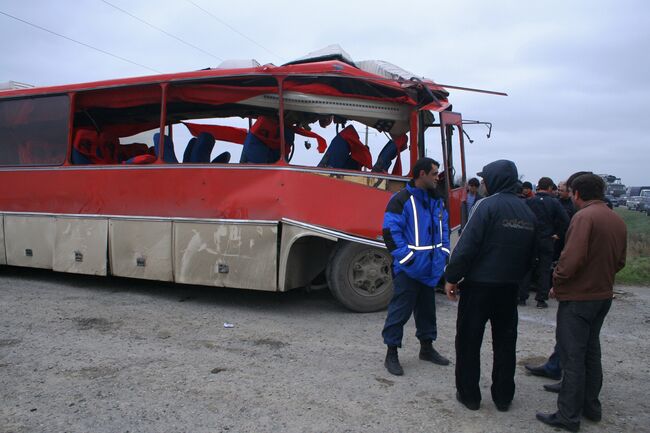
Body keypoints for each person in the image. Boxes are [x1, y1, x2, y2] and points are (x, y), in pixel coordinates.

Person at [444, 159, 537, 411]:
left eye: (485, 179)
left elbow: (467, 245)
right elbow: (533, 253)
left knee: (469, 341)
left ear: (494, 180)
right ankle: (503, 397)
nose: (483, 183)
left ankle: (470, 395)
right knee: (506, 343)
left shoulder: (486, 206)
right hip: (509, 289)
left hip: (479, 287)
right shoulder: (527, 210)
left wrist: (452, 276)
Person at [536, 174, 626, 432]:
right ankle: (591, 407)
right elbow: (620, 261)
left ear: (577, 194)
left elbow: (571, 260)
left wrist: (558, 282)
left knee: (572, 356)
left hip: (578, 298)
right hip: (602, 295)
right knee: (591, 352)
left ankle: (568, 415)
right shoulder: (615, 218)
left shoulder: (583, 218)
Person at [381, 157, 450, 376]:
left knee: (427, 312)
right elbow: (391, 233)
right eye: (434, 173)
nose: (437, 177)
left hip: (430, 270)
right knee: (399, 312)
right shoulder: (401, 200)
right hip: (408, 270)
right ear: (421, 174)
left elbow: (444, 230)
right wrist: (408, 260)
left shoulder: (437, 200)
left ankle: (427, 349)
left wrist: (444, 254)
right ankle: (391, 353)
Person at [521, 177, 569, 308]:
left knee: (527, 267)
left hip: (530, 238)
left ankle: (522, 297)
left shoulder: (529, 201)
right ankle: (541, 299)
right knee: (544, 269)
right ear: (549, 188)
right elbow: (565, 220)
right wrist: (558, 234)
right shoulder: (554, 203)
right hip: (547, 239)